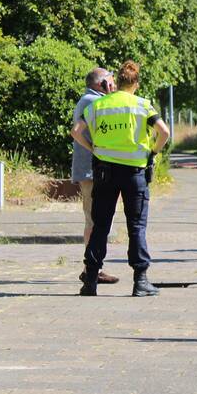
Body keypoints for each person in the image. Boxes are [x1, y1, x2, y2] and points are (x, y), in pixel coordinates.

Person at [71, 60, 169, 297]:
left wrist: (93, 149)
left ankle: (91, 281)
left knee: (100, 226)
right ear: (135, 83)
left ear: (118, 82)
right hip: (134, 173)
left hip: (105, 172)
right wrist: (152, 153)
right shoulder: (143, 105)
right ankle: (140, 281)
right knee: (136, 226)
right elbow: (164, 132)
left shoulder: (99, 105)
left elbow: (75, 131)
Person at [70, 67, 119, 285]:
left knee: (94, 219)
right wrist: (94, 149)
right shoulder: (93, 101)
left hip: (90, 169)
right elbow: (77, 131)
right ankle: (91, 268)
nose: (114, 85)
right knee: (93, 220)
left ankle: (93, 266)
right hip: (91, 170)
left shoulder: (89, 100)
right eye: (111, 81)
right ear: (103, 84)